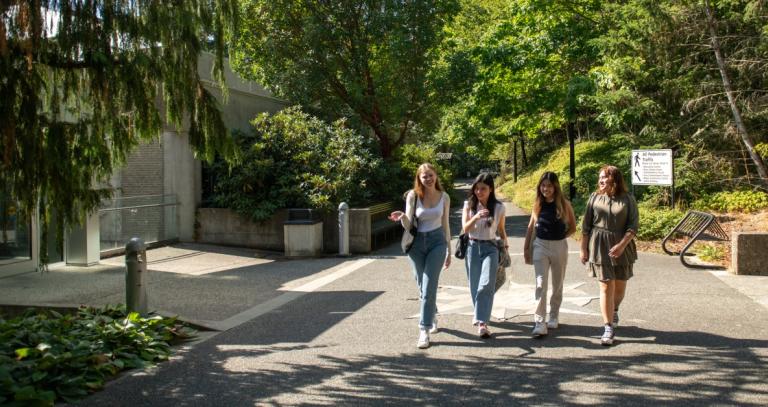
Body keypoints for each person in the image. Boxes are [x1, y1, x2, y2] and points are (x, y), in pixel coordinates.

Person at [389, 163, 452, 349]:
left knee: (429, 283)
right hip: (416, 244)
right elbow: (409, 225)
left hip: (437, 242)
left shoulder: (444, 197)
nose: (428, 179)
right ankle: (432, 312)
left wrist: (449, 249)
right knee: (421, 284)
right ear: (419, 178)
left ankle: (423, 329)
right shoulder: (413, 196)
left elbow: (446, 224)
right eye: (424, 177)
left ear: (436, 176)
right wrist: (402, 217)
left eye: (431, 175)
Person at [580, 165, 639, 346]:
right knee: (606, 286)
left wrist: (621, 245)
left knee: (619, 288)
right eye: (600, 178)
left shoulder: (628, 199)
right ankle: (608, 327)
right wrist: (584, 249)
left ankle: (614, 309)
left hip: (622, 245)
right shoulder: (595, 197)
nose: (601, 181)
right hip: (599, 245)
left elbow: (633, 227)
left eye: (605, 177)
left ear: (615, 179)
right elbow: (586, 226)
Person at [523, 171, 577, 337]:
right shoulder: (537, 204)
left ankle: (553, 315)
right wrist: (527, 249)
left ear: (555, 187)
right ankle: (540, 321)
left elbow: (573, 227)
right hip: (540, 246)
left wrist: (560, 238)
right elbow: (531, 227)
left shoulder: (564, 204)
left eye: (549, 186)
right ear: (540, 187)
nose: (546, 189)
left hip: (559, 246)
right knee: (540, 283)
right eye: (543, 185)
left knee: (557, 283)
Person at [461, 172, 507, 338]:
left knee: (485, 284)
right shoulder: (469, 205)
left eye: (483, 189)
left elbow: (501, 230)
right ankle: (481, 314)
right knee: (474, 286)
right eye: (476, 189)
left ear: (491, 189)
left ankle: (482, 322)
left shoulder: (499, 208)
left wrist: (505, 247)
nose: (479, 192)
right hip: (472, 247)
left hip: (491, 247)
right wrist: (476, 217)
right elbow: (465, 228)